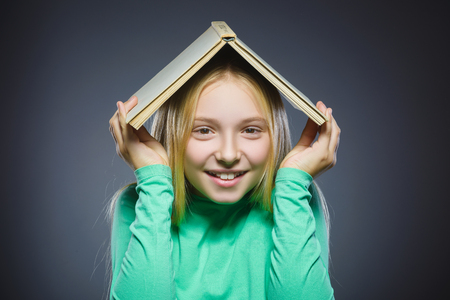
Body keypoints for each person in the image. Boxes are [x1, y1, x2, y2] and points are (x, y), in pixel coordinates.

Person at [108, 47, 340, 299]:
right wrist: (153, 185)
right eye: (204, 130)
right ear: (173, 133)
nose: (228, 155)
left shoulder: (293, 198)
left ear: (274, 135)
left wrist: (294, 187)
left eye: (250, 130)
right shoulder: (140, 202)